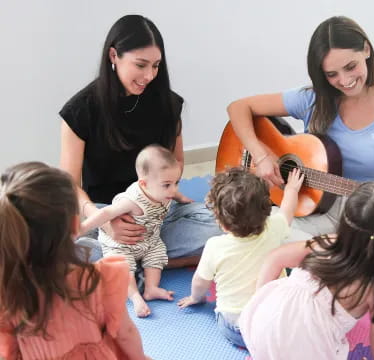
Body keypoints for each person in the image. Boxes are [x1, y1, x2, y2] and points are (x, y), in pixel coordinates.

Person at [226, 15, 374, 289]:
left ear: (366, 50)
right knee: (257, 236)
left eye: (350, 66)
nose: (344, 80)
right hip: (313, 210)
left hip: (367, 211)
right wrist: (260, 155)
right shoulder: (313, 98)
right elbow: (238, 107)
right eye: (331, 74)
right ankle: (346, 262)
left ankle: (332, 262)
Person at [59, 14, 222, 266]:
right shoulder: (80, 110)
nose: (149, 75)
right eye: (141, 64)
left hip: (156, 210)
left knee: (222, 223)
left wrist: (160, 197)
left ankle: (136, 261)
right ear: (114, 56)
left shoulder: (168, 103)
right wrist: (104, 219)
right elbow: (69, 185)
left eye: (156, 66)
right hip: (104, 210)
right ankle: (156, 259)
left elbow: (176, 162)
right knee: (63, 244)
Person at [239, 181, 374, 360]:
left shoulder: (326, 242)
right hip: (303, 351)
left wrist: (260, 302)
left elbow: (274, 258)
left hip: (258, 329)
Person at [0, 162, 150, 360]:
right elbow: (126, 334)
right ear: (74, 225)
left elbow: (9, 351)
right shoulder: (100, 280)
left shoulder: (7, 293)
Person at [177, 167, 304, 347]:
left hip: (236, 329)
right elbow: (287, 210)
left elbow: (200, 282)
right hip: (272, 323)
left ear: (222, 223)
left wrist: (196, 298)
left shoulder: (214, 246)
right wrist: (291, 189)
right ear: (267, 209)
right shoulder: (274, 227)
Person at [80, 145, 180, 317]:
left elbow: (175, 193)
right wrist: (81, 228)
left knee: (157, 256)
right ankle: (134, 297)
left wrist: (183, 198)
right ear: (144, 184)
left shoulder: (166, 192)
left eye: (176, 183)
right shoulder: (133, 201)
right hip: (121, 244)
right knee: (122, 266)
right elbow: (106, 213)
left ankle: (151, 288)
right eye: (167, 185)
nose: (174, 190)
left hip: (149, 240)